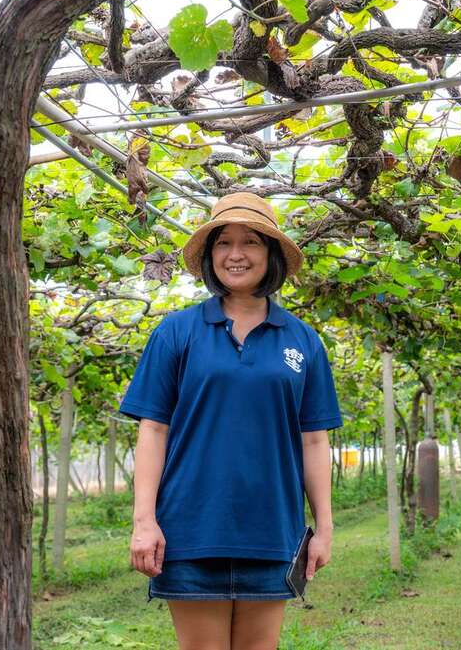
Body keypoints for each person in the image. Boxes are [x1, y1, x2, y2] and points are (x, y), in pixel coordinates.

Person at [119, 192, 343, 650]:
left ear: (272, 254)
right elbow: (153, 429)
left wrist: (324, 526)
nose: (235, 255)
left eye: (251, 243)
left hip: (273, 530)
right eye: (223, 243)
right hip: (191, 529)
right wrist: (145, 521)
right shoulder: (176, 333)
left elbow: (314, 440)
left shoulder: (303, 341)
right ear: (210, 255)